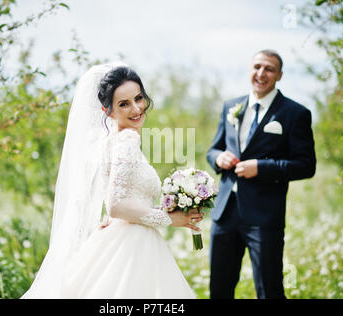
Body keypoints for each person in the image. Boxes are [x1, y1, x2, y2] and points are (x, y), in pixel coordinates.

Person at [21, 63, 202, 298]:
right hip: (131, 245)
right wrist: (168, 218)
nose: (136, 108)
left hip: (121, 237)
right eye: (123, 104)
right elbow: (116, 206)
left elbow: (124, 199)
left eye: (138, 98)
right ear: (108, 111)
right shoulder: (126, 140)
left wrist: (173, 209)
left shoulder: (111, 140)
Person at [206, 49, 316, 299]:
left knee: (269, 289)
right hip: (225, 212)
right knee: (219, 289)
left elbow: (306, 165)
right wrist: (218, 158)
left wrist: (262, 168)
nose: (261, 73)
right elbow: (213, 149)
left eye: (269, 69)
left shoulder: (295, 113)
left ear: (279, 75)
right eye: (257, 66)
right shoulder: (231, 106)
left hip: (264, 216)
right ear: (249, 70)